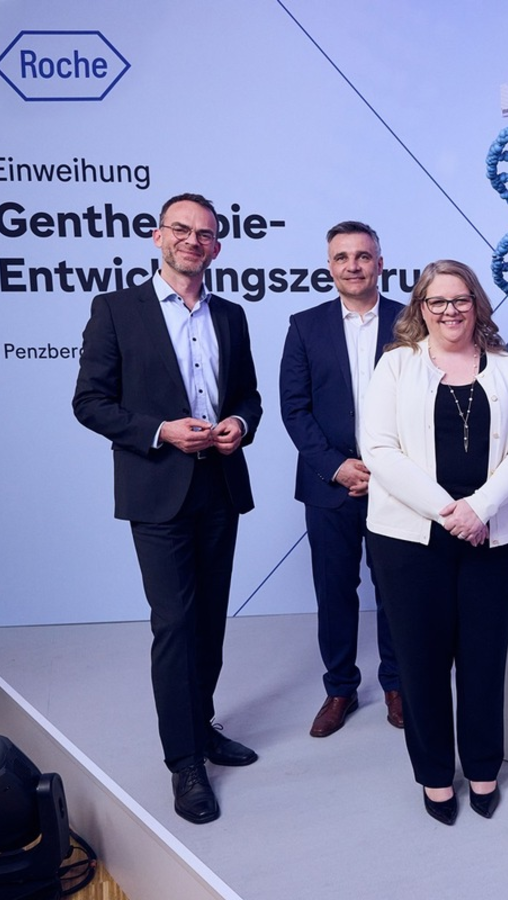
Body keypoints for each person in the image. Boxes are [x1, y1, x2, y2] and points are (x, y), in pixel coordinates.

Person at [72, 192, 262, 825]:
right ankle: (184, 762)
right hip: (157, 488)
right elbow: (90, 402)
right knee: (175, 623)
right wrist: (161, 432)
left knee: (209, 620)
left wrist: (238, 424)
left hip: (219, 486)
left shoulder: (231, 315)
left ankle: (201, 726)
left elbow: (249, 397)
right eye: (181, 229)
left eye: (205, 234)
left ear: (217, 247)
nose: (192, 240)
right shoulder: (115, 310)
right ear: (158, 236)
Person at [361, 259, 508, 825]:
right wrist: (448, 512)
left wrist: (479, 509)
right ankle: (435, 775)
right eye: (437, 301)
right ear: (421, 307)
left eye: (460, 299)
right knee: (422, 663)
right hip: (410, 540)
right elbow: (379, 450)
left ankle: (484, 767)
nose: (450, 311)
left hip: (493, 536)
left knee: (485, 659)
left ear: (476, 303)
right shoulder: (396, 365)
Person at [279, 221, 405, 738]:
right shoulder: (305, 326)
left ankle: (397, 684)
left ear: (380, 263)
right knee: (334, 591)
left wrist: (387, 470)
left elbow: (426, 405)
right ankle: (340, 688)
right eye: (342, 257)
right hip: (328, 485)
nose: (353, 265)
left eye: (363, 256)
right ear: (329, 266)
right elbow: (294, 408)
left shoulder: (410, 323)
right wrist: (336, 466)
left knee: (395, 589)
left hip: (397, 485)